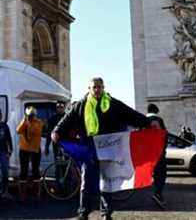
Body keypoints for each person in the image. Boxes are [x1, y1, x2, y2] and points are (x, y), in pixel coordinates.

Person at [52, 77, 159, 220]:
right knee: (86, 181)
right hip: (89, 148)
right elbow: (67, 119)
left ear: (103, 88)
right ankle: (83, 213)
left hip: (108, 148)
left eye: (100, 87)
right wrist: (57, 131)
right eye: (94, 87)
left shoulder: (112, 104)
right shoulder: (80, 106)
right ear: (89, 89)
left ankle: (106, 213)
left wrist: (148, 122)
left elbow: (130, 114)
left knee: (107, 182)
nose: (97, 90)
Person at [16, 106, 44, 199]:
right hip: (24, 149)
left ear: (35, 115)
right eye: (29, 115)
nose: (31, 117)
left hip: (35, 149)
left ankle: (37, 193)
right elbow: (18, 130)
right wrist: (25, 121)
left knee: (35, 170)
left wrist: (29, 123)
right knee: (23, 170)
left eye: (32, 115)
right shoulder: (24, 122)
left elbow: (35, 132)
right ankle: (22, 194)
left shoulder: (39, 122)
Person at [147, 103, 167, 209]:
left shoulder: (142, 120)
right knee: (161, 173)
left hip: (147, 153)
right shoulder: (159, 120)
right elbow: (164, 135)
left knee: (151, 172)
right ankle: (158, 193)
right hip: (158, 152)